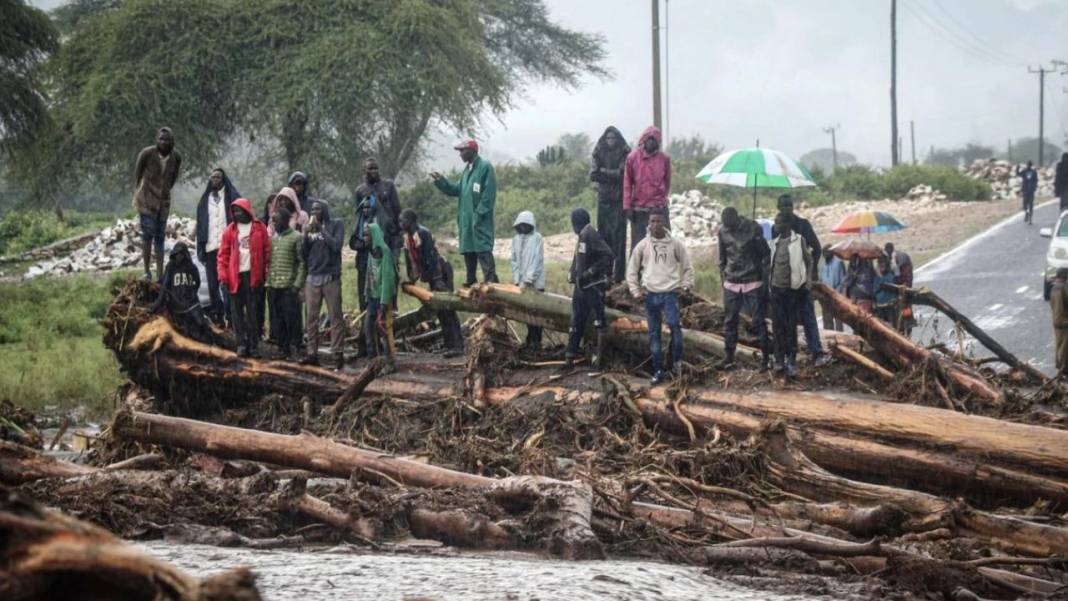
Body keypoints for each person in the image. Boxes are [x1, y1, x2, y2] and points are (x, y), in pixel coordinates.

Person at [627, 210, 694, 385]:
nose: (654, 224)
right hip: (650, 295)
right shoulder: (642, 245)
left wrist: (686, 286)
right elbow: (632, 270)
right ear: (648, 223)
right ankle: (658, 370)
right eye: (652, 221)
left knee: (675, 326)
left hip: (670, 294)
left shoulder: (675, 244)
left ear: (664, 222)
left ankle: (676, 364)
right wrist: (635, 291)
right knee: (654, 333)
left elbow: (687, 266)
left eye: (658, 221)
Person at [431, 140, 498, 286]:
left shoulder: (485, 167)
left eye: (462, 151)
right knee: (469, 252)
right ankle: (470, 282)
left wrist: (478, 214)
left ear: (472, 150)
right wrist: (441, 181)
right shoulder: (466, 171)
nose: (460, 154)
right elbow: (457, 189)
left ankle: (492, 283)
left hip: (480, 222)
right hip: (466, 222)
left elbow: (488, 196)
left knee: (483, 251)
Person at [777, 194, 831, 367]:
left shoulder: (803, 225)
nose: (786, 209)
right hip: (784, 283)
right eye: (783, 206)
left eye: (789, 205)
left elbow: (817, 249)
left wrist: (810, 272)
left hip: (801, 281)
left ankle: (817, 353)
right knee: (787, 320)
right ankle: (790, 356)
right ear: (778, 207)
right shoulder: (776, 227)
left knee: (808, 317)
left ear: (793, 207)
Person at [400, 208, 463, 351]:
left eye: (403, 220)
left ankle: (458, 346)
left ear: (411, 220)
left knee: (448, 308)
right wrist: (411, 280)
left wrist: (438, 280)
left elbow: (432, 258)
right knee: (440, 310)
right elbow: (411, 262)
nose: (400, 223)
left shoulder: (423, 233)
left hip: (441, 272)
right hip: (433, 276)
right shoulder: (408, 237)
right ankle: (449, 344)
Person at [717, 206, 770, 370]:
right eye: (726, 227)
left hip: (752, 280)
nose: (729, 230)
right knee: (729, 321)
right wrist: (723, 280)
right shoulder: (722, 232)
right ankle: (729, 357)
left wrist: (764, 278)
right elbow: (722, 259)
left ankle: (766, 358)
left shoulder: (753, 228)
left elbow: (766, 254)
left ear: (737, 219)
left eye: (731, 226)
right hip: (732, 281)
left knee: (758, 321)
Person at [217, 198, 269, 358]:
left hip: (253, 276)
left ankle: (253, 345)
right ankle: (241, 344)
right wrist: (223, 277)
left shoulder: (259, 228)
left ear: (247, 211)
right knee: (236, 312)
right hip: (235, 276)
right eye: (235, 212)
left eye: (240, 211)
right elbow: (223, 256)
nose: (237, 214)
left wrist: (264, 275)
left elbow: (267, 252)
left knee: (253, 312)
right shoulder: (230, 230)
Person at [565, 208, 614, 373]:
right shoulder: (581, 236)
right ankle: (569, 360)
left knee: (599, 322)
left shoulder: (591, 234)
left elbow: (608, 255)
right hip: (581, 288)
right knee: (576, 321)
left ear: (577, 221)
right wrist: (572, 273)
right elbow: (577, 258)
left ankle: (599, 362)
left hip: (593, 287)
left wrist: (590, 272)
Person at [301, 199, 345, 369]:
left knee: (336, 316)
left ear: (325, 210)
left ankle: (337, 353)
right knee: (311, 318)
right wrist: (305, 236)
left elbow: (336, 246)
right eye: (312, 210)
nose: (314, 212)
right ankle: (311, 353)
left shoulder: (336, 224)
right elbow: (303, 255)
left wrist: (322, 230)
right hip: (313, 277)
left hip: (331, 276)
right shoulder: (310, 228)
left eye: (318, 209)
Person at [133, 127, 182, 281]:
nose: (163, 142)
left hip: (163, 203)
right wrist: (143, 191)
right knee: (148, 234)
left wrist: (164, 191)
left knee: (160, 238)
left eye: (166, 140)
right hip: (146, 201)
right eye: (161, 139)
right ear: (157, 140)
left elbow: (173, 179)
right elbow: (138, 173)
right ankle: (147, 272)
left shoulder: (176, 157)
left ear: (171, 141)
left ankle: (160, 275)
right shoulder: (147, 154)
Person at [768, 214, 811, 378]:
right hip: (776, 290)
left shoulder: (798, 240)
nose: (775, 225)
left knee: (790, 326)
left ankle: (792, 360)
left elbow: (808, 260)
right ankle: (779, 359)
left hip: (792, 291)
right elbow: (771, 264)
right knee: (777, 326)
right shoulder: (774, 242)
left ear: (786, 224)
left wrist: (806, 283)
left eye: (778, 223)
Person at [195, 167, 239, 325]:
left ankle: (231, 315)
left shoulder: (231, 197)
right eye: (212, 178)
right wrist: (200, 247)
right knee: (212, 284)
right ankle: (217, 315)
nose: (215, 180)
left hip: (227, 248)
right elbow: (200, 225)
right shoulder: (204, 200)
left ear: (223, 179)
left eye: (218, 178)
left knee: (227, 283)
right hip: (210, 248)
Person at [150, 242, 215, 344]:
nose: (179, 257)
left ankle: (212, 342)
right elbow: (165, 286)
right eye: (177, 254)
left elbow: (197, 282)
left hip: (192, 304)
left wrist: (192, 292)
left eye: (181, 254)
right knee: (182, 329)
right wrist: (157, 304)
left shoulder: (191, 267)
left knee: (201, 324)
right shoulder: (171, 267)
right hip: (177, 305)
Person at [590, 126, 630, 283]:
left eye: (613, 138)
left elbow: (623, 174)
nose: (610, 141)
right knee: (603, 237)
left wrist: (604, 171)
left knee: (619, 239)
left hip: (619, 201)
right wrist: (611, 173)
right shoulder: (598, 150)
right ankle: (605, 274)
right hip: (604, 200)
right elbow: (593, 175)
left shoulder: (625, 151)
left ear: (617, 138)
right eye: (608, 138)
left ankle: (619, 276)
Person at [266, 207, 306, 361]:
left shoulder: (297, 237)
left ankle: (295, 349)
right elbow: (271, 262)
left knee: (292, 320)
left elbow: (302, 263)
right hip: (273, 285)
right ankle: (282, 349)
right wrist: (268, 282)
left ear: (286, 220)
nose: (273, 222)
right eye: (272, 220)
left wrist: (297, 284)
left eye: (276, 219)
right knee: (277, 319)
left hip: (289, 287)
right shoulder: (273, 238)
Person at [623, 126, 672, 250]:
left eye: (654, 140)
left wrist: (661, 200)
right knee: (639, 245)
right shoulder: (632, 158)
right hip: (639, 210)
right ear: (644, 140)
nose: (651, 142)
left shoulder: (664, 159)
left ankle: (663, 269)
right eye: (649, 139)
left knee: (663, 243)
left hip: (659, 209)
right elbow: (627, 183)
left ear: (658, 142)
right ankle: (637, 270)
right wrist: (627, 207)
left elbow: (667, 182)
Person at [510, 210, 546, 351]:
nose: (524, 227)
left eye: (526, 225)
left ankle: (536, 342)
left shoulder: (537, 238)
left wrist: (529, 279)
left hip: (535, 284)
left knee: (538, 314)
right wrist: (517, 280)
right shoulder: (516, 240)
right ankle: (530, 340)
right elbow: (514, 261)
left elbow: (537, 261)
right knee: (527, 313)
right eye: (521, 225)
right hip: (521, 284)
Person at [364, 222, 397, 372]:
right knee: (369, 327)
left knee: (384, 331)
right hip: (372, 297)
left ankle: (390, 363)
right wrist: (367, 293)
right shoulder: (371, 252)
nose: (364, 238)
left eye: (367, 235)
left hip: (382, 299)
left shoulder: (385, 252)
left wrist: (384, 301)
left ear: (374, 236)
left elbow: (388, 278)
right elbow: (369, 275)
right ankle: (373, 360)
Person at [349, 198, 374, 356]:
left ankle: (372, 346)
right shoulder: (359, 222)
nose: (365, 210)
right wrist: (361, 244)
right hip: (362, 267)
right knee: (363, 306)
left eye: (368, 208)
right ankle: (364, 346)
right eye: (363, 208)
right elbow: (352, 242)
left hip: (374, 268)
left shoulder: (377, 222)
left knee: (373, 308)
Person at [818, 246, 846, 331]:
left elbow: (842, 281)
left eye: (826, 252)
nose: (824, 255)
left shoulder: (838, 263)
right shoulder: (823, 266)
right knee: (827, 321)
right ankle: (829, 341)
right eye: (823, 253)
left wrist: (836, 294)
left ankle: (840, 340)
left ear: (831, 252)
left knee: (838, 320)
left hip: (836, 296)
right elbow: (821, 281)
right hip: (825, 297)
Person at [1050, 268, 1068, 376]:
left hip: (1057, 322)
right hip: (1065, 322)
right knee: (1065, 348)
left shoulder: (1054, 289)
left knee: (1059, 345)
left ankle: (1060, 368)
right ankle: (1063, 371)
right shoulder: (1065, 289)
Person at [873, 254, 898, 326]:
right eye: (880, 263)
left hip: (890, 305)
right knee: (881, 325)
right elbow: (874, 291)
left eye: (883, 263)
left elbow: (893, 287)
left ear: (887, 264)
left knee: (891, 325)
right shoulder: (876, 277)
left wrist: (883, 285)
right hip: (880, 306)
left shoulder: (891, 276)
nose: (881, 265)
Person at [1017, 160, 1038, 225]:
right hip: (1025, 190)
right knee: (1025, 204)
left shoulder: (1034, 172)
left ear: (1031, 165)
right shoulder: (1024, 171)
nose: (1028, 166)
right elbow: (1018, 174)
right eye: (1028, 165)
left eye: (1029, 165)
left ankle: (1030, 219)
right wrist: (1017, 168)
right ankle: (1026, 213)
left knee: (1031, 205)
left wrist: (1034, 188)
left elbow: (1036, 180)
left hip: (1031, 191)